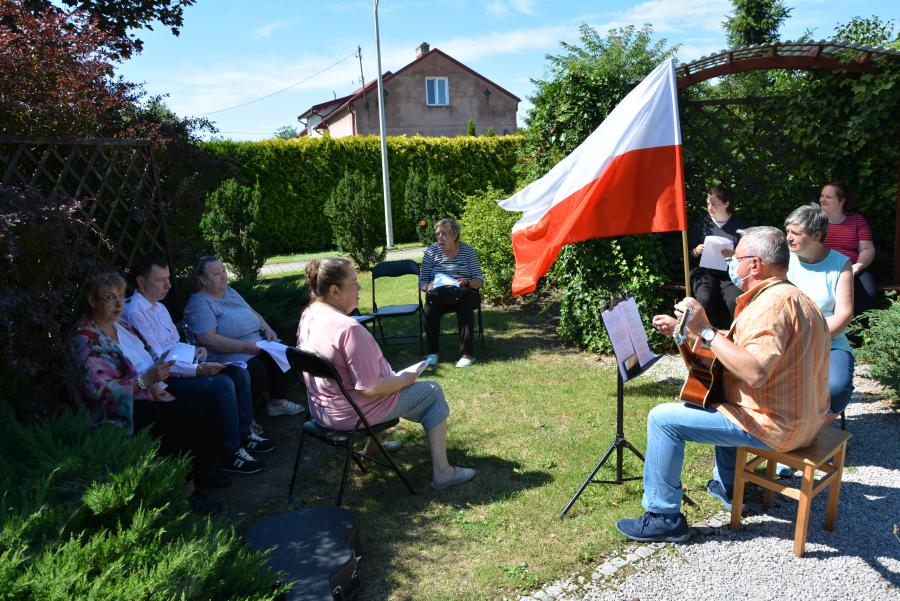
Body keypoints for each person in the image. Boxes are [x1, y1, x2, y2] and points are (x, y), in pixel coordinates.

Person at [616, 227, 830, 543]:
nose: (731, 264)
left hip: (779, 426)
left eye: (735, 258)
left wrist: (705, 331)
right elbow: (739, 348)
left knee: (663, 420)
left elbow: (754, 372)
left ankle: (663, 517)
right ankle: (729, 485)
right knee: (714, 399)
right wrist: (686, 331)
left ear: (755, 265)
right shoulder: (795, 297)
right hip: (807, 419)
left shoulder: (770, 307)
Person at [297, 257, 476, 490]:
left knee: (384, 380)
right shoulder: (348, 329)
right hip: (352, 414)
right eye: (354, 283)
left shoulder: (309, 316)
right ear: (334, 290)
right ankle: (443, 472)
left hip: (323, 411)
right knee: (432, 392)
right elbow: (371, 388)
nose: (360, 289)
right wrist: (405, 379)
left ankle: (372, 448)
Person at [69, 271, 227, 512]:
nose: (119, 303)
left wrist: (175, 372)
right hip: (119, 412)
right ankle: (187, 493)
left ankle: (203, 470)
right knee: (181, 416)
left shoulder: (121, 325)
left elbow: (151, 356)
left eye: (121, 296)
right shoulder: (86, 341)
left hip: (151, 389)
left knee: (207, 405)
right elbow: (101, 392)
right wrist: (147, 382)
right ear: (92, 301)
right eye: (110, 298)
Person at [123, 255, 271, 475]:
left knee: (239, 373)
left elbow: (173, 346)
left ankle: (245, 433)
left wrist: (195, 352)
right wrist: (198, 369)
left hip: (183, 367)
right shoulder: (135, 312)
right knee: (222, 384)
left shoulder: (159, 308)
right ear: (141, 282)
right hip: (164, 379)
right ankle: (230, 453)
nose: (168, 285)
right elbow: (159, 360)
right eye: (160, 280)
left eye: (168, 279)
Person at [183, 256, 301, 417]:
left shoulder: (229, 291)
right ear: (203, 279)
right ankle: (246, 417)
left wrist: (267, 328)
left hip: (254, 343)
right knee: (256, 367)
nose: (223, 275)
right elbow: (207, 339)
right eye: (216, 273)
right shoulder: (199, 303)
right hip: (226, 354)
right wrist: (245, 348)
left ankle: (277, 402)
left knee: (285, 352)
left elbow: (251, 311)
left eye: (224, 270)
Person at [785, 205, 854, 415]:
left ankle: (820, 430)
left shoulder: (841, 264)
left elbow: (844, 314)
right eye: (787, 231)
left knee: (836, 388)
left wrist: (810, 338)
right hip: (784, 340)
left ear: (817, 235)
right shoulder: (780, 257)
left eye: (796, 233)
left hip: (829, 342)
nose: (788, 238)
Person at [418, 218, 484, 368]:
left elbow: (478, 281)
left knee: (465, 306)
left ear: (455, 235)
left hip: (465, 293)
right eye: (437, 234)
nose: (440, 237)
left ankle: (467, 355)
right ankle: (433, 353)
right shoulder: (431, 251)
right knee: (429, 310)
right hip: (440, 295)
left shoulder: (468, 251)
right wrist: (429, 286)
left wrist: (466, 282)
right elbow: (422, 281)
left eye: (444, 234)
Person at [687, 185, 750, 328]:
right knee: (704, 298)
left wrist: (735, 255)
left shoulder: (740, 224)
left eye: (714, 204)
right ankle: (701, 335)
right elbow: (687, 253)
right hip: (705, 271)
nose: (710, 207)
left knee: (735, 300)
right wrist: (696, 251)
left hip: (730, 272)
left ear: (726, 203)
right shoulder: (702, 225)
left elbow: (748, 254)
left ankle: (738, 335)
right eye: (708, 203)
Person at [818, 181, 876, 315]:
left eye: (828, 197)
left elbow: (867, 249)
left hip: (852, 267)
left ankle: (857, 331)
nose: (823, 200)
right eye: (822, 195)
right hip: (822, 268)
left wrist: (857, 267)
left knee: (869, 293)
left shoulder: (857, 220)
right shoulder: (815, 220)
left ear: (842, 200)